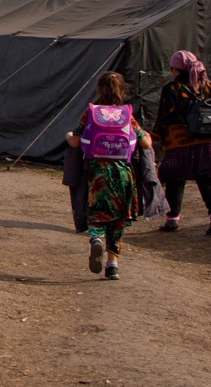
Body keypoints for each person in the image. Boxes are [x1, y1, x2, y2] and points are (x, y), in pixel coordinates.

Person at [66, 72, 152, 280]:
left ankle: (96, 238)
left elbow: (76, 141)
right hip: (122, 172)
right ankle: (112, 265)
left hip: (97, 173)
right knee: (118, 218)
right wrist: (147, 135)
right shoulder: (127, 115)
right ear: (122, 91)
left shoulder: (91, 113)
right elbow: (146, 144)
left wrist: (68, 136)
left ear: (99, 90)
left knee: (97, 211)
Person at [152, 50, 211, 236]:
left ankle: (172, 220)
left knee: (175, 179)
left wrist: (155, 135)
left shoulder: (172, 89)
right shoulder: (208, 86)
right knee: (208, 180)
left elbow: (166, 115)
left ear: (177, 70)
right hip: (209, 141)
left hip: (180, 142)